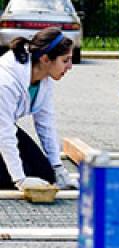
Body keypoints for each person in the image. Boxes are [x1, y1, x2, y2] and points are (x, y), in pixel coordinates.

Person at [0, 27, 78, 191]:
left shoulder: (44, 79)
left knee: (46, 176)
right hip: (2, 130)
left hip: (3, 127)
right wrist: (20, 180)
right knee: (15, 176)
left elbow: (46, 124)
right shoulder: (5, 82)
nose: (70, 66)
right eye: (65, 60)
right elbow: (5, 134)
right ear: (45, 59)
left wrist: (57, 167)